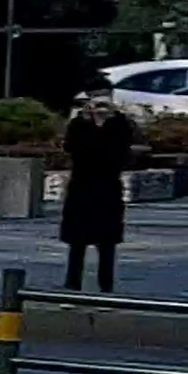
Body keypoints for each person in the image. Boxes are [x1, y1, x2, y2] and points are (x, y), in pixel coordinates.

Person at [60, 86, 134, 292]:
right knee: (77, 243)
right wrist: (86, 121)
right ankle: (72, 285)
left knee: (107, 243)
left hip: (108, 189)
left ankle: (106, 286)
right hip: (81, 188)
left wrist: (107, 122)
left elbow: (121, 155)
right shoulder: (78, 124)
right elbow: (73, 149)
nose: (100, 106)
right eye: (96, 100)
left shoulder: (120, 123)